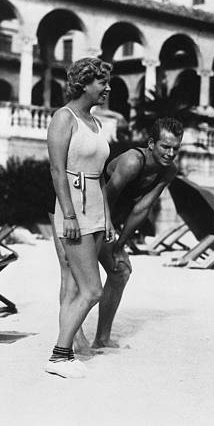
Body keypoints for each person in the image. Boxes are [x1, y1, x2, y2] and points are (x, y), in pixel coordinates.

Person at [48, 118, 183, 350]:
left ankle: (102, 338)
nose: (171, 153)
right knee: (73, 274)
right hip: (78, 209)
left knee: (120, 272)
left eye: (175, 148)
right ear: (151, 143)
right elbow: (104, 198)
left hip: (105, 219)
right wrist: (104, 237)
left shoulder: (168, 171)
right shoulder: (132, 161)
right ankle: (74, 341)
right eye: (165, 146)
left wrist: (120, 245)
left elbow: (142, 207)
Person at [46, 57, 114, 378]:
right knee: (93, 290)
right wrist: (69, 216)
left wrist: (109, 219)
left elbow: (99, 175)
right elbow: (58, 170)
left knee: (75, 286)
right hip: (74, 209)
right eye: (101, 82)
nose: (107, 88)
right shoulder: (64, 118)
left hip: (97, 211)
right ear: (84, 84)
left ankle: (69, 349)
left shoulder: (96, 123)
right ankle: (59, 355)